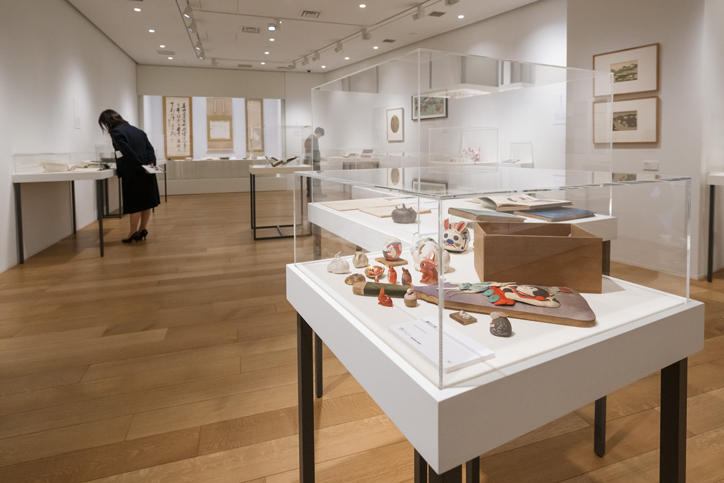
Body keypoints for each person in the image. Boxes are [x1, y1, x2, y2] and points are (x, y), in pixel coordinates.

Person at [98, 109, 160, 243]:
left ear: (108, 122)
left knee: (135, 203)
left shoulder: (116, 132)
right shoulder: (138, 131)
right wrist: (150, 165)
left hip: (134, 171)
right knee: (147, 201)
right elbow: (150, 149)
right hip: (148, 169)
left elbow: (127, 152)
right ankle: (142, 229)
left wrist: (140, 166)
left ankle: (132, 232)